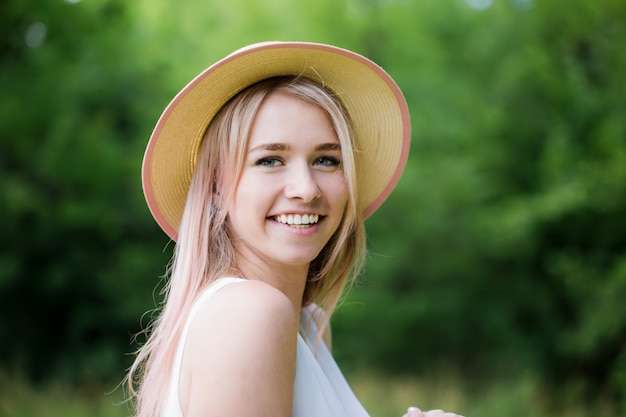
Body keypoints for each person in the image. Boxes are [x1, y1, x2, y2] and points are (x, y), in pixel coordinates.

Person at [127, 41, 463, 417]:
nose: (305, 189)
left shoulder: (308, 325)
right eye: (270, 160)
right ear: (217, 187)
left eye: (326, 159)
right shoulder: (250, 314)